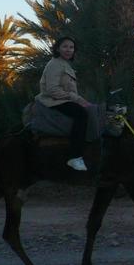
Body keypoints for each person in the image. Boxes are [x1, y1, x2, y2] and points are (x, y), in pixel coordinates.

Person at [35, 36, 94, 170]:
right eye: (65, 46)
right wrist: (76, 99)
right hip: (53, 100)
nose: (68, 50)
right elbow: (52, 90)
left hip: (62, 99)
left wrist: (79, 99)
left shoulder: (64, 64)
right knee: (81, 114)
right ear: (58, 48)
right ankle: (75, 156)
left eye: (71, 47)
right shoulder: (55, 64)